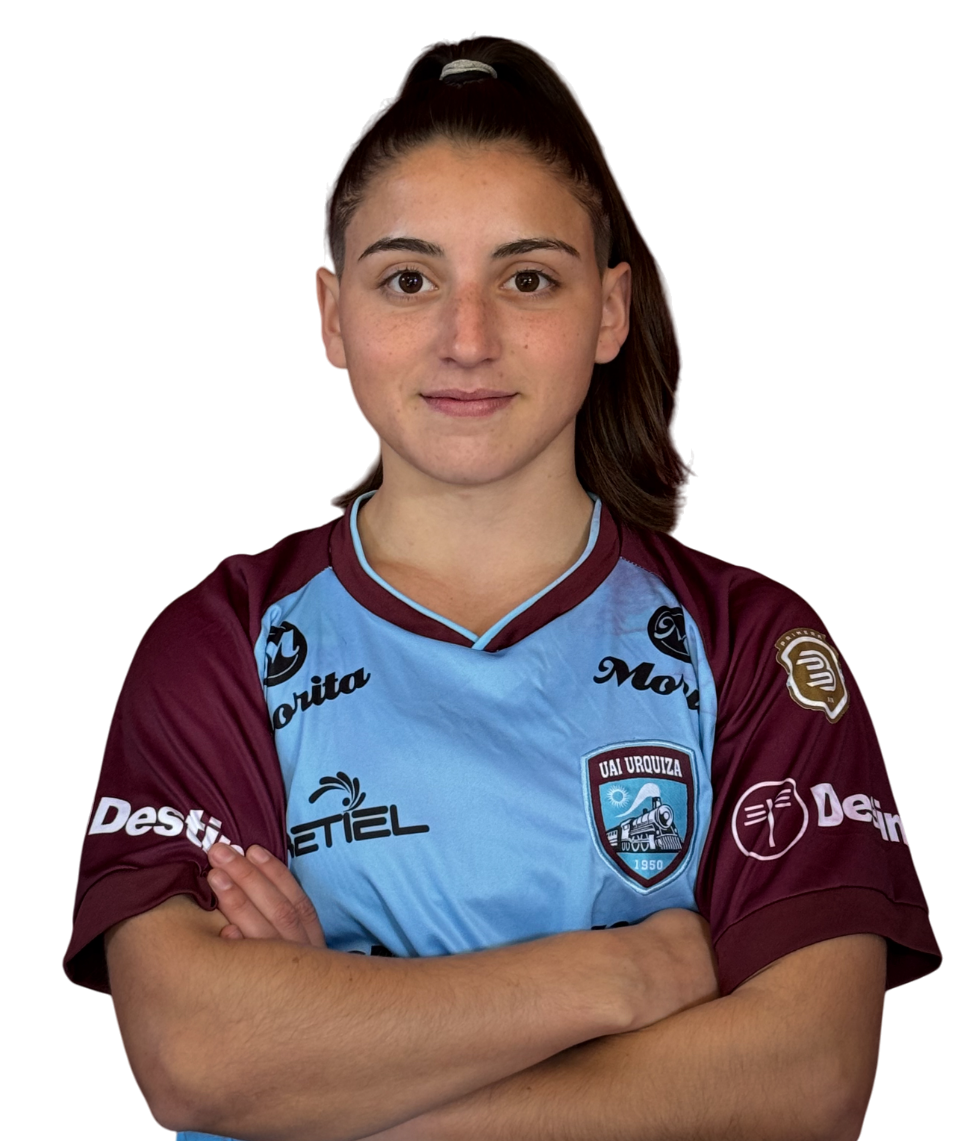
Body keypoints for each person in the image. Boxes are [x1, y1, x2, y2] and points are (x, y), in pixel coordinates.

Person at [63, 34, 941, 1141]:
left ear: (609, 311)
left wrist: (327, 1068)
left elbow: (810, 1077)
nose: (467, 338)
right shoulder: (222, 644)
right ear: (331, 316)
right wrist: (627, 974)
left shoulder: (751, 644)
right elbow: (198, 1055)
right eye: (409, 279)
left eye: (528, 279)